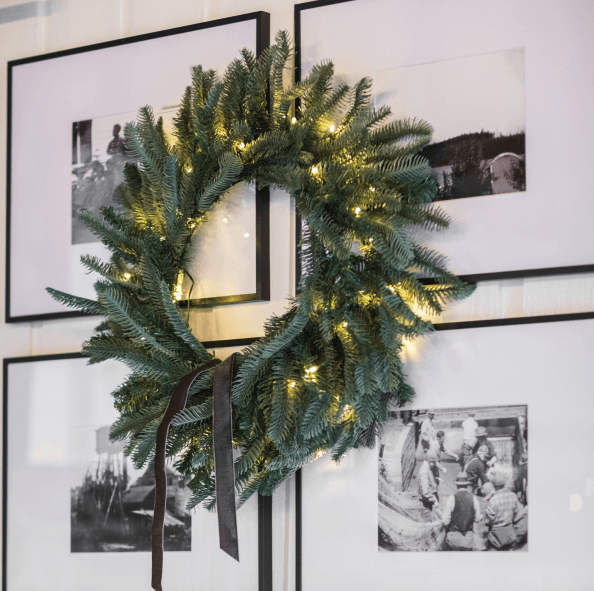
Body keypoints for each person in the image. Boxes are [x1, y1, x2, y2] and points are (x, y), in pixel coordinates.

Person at [484, 471, 525, 550]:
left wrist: (485, 521)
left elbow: (488, 521)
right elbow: (517, 514)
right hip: (510, 531)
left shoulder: (493, 500)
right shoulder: (513, 496)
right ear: (504, 483)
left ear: (493, 484)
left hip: (496, 535)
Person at [442, 472, 482, 551]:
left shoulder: (451, 498)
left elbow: (445, 521)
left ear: (457, 485)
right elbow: (477, 519)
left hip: (454, 540)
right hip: (468, 540)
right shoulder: (474, 499)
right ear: (467, 485)